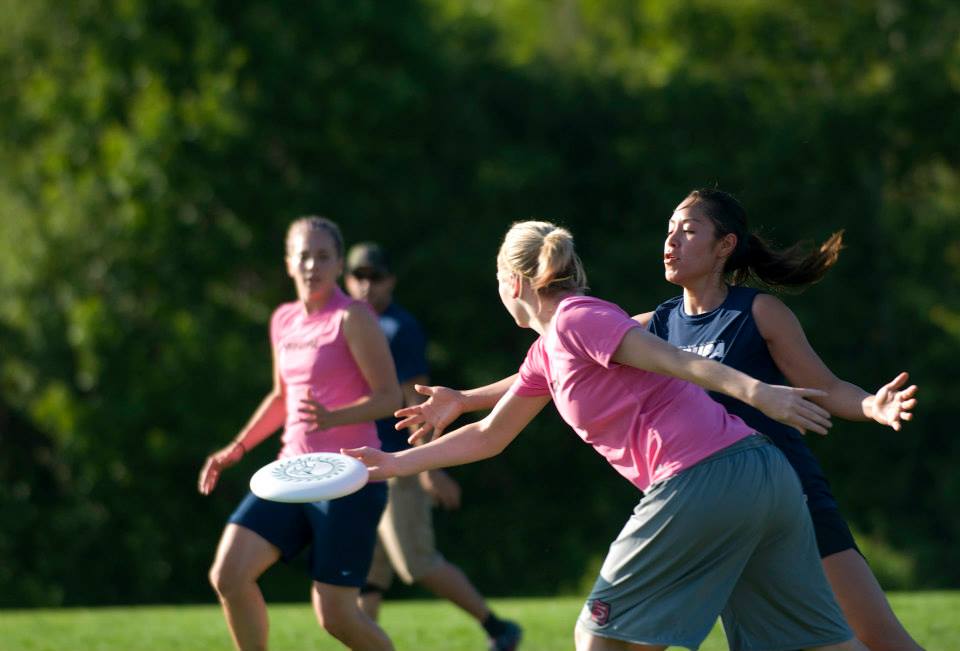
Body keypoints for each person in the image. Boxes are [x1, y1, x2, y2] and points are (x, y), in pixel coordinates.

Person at [345, 220, 869, 651]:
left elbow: (676, 359)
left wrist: (758, 392)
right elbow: (489, 434)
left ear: (514, 283)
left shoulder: (578, 318)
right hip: (763, 478)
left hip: (701, 476)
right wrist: (394, 464)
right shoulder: (547, 351)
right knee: (817, 645)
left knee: (599, 637)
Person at [639, 187, 922, 651]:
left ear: (725, 246)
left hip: (793, 495)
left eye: (688, 232)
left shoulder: (758, 311)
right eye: (669, 231)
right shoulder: (659, 325)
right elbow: (566, 353)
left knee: (883, 641)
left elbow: (827, 388)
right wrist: (477, 397)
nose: (671, 242)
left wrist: (873, 405)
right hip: (718, 509)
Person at [198, 216, 402, 651]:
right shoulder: (283, 320)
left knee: (336, 616)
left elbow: (390, 397)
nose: (313, 265)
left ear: (339, 262)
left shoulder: (354, 317)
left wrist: (336, 417)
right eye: (304, 255)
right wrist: (236, 448)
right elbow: (279, 397)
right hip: (291, 472)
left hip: (350, 477)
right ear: (289, 262)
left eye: (323, 256)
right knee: (229, 575)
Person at [343, 242, 523, 651]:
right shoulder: (347, 324)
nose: (366, 286)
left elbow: (416, 401)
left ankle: (498, 628)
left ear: (390, 280)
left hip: (395, 460)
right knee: (366, 570)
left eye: (375, 277)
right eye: (358, 277)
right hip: (359, 462)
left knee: (415, 562)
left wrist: (427, 467)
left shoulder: (397, 328)